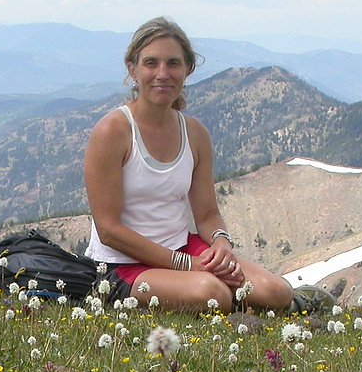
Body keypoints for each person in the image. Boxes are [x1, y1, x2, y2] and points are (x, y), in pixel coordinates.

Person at [84, 17, 329, 314]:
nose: (163, 73)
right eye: (151, 63)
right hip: (122, 263)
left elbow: (207, 213)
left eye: (173, 63)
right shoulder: (112, 131)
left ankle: (295, 301)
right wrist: (186, 265)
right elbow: (109, 230)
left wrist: (220, 243)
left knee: (276, 291)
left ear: (187, 69)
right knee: (215, 295)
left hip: (182, 249)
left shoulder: (194, 133)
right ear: (132, 69)